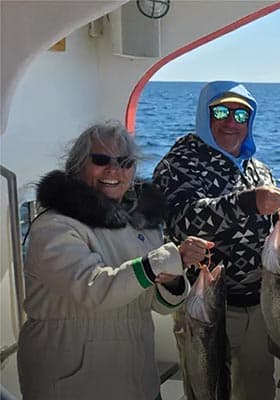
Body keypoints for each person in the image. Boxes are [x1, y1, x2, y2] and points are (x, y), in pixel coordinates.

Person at [17, 121, 210, 399]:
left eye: (125, 162)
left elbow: (161, 305)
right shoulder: (54, 226)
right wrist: (165, 260)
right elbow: (93, 290)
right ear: (77, 165)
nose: (114, 170)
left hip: (137, 378)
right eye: (100, 159)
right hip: (70, 381)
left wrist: (173, 279)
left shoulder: (142, 226)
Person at [153, 81, 280, 400]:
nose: (230, 122)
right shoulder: (179, 163)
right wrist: (247, 202)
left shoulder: (260, 171)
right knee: (207, 390)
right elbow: (182, 218)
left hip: (256, 305)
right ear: (204, 115)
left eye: (241, 114)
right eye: (221, 111)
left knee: (257, 389)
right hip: (204, 305)